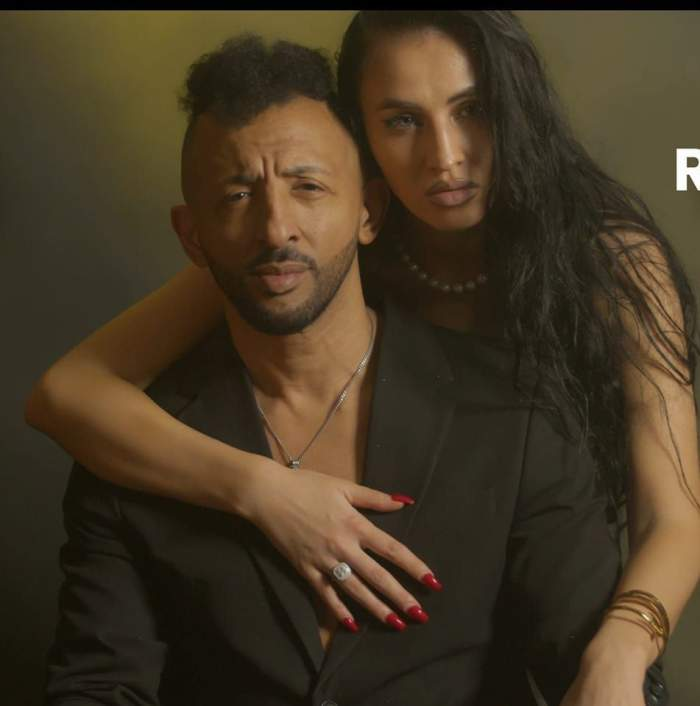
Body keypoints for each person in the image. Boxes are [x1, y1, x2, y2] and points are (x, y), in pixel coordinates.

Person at [26, 10, 698, 706]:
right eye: (402, 120)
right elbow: (67, 393)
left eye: (471, 109)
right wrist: (268, 492)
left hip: (577, 599)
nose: (445, 156)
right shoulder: (298, 245)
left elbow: (672, 516)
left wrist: (621, 649)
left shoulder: (603, 262)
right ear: (363, 138)